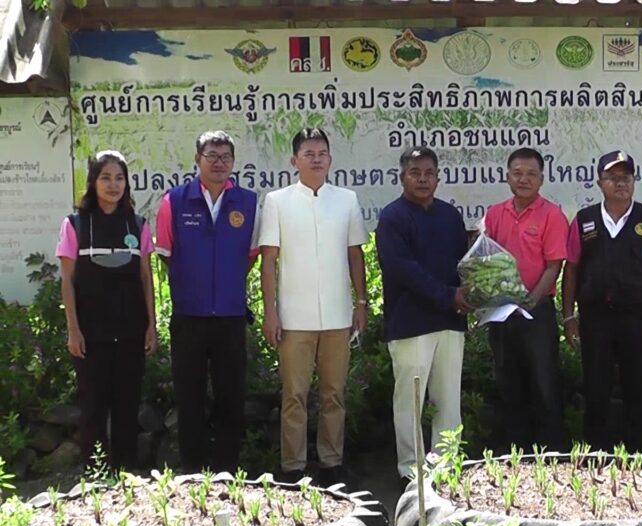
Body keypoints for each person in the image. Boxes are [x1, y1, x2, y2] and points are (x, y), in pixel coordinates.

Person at [259, 128, 369, 486]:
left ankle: (331, 463)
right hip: (294, 317)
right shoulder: (277, 201)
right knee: (294, 395)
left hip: (337, 314)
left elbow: (355, 254)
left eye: (322, 153)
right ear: (295, 160)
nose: (317, 159)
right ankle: (292, 466)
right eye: (309, 153)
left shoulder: (346, 200)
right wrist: (270, 311)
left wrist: (361, 302)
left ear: (330, 159)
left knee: (334, 393)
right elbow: (268, 261)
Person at [156, 131, 259, 473]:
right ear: (197, 159)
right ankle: (192, 471)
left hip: (230, 316)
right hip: (189, 316)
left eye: (226, 156)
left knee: (231, 397)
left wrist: (225, 283)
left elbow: (251, 255)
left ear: (233, 162)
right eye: (211, 155)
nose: (219, 163)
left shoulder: (248, 202)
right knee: (190, 397)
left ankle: (227, 470)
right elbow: (166, 253)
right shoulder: (174, 201)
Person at [563, 150, 642, 452]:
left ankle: (639, 456)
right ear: (600, 183)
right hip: (595, 319)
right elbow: (571, 269)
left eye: (626, 177)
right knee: (596, 387)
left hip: (638, 319)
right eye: (612, 177)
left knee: (639, 388)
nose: (620, 183)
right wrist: (569, 316)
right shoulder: (584, 220)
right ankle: (596, 454)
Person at [56, 150, 157, 471]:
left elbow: (146, 277)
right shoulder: (75, 224)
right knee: (94, 407)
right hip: (90, 334)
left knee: (127, 404)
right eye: (105, 178)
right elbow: (68, 280)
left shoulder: (137, 224)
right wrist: (73, 329)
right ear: (93, 182)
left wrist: (151, 325)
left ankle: (127, 474)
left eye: (119, 178)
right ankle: (95, 474)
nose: (113, 185)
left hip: (130, 332)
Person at [376, 146, 471, 481]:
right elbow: (403, 270)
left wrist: (474, 291)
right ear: (402, 177)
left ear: (438, 178)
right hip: (410, 324)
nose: (422, 179)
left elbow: (463, 265)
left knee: (448, 400)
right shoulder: (392, 218)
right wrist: (449, 296)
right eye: (415, 173)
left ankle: (445, 468)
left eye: (429, 173)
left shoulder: (450, 216)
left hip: (450, 321)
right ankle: (411, 471)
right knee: (410, 401)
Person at [483, 148, 569, 452]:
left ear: (541, 179)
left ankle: (552, 453)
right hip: (502, 312)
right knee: (508, 383)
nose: (524, 179)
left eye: (531, 174)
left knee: (544, 383)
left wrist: (531, 300)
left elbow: (554, 266)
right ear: (507, 176)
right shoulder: (494, 213)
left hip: (537, 311)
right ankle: (516, 453)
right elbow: (485, 259)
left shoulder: (552, 215)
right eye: (517, 173)